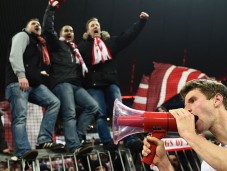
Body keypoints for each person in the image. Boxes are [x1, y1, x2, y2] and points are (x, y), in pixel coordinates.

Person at [78, 12, 149, 152]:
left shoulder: (110, 43)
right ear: (88, 31)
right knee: (100, 114)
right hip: (93, 85)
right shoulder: (82, 47)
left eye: (97, 25)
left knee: (121, 112)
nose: (95, 26)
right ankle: (107, 142)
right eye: (92, 25)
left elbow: (128, 36)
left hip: (111, 83)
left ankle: (130, 140)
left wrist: (141, 22)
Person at [42, 0, 98, 157]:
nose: (69, 32)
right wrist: (51, 8)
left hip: (76, 84)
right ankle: (73, 146)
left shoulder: (75, 50)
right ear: (60, 34)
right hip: (62, 82)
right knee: (70, 113)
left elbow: (91, 46)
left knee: (93, 107)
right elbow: (47, 28)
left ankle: (77, 137)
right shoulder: (57, 45)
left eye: (71, 31)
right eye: (66, 30)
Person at [5, 18, 64, 160]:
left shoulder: (38, 44)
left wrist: (38, 74)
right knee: (20, 117)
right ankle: (23, 151)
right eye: (33, 23)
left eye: (38, 24)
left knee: (54, 102)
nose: (37, 25)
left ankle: (43, 139)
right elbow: (14, 56)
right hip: (18, 83)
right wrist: (21, 75)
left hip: (32, 84)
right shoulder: (22, 36)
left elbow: (29, 63)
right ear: (26, 27)